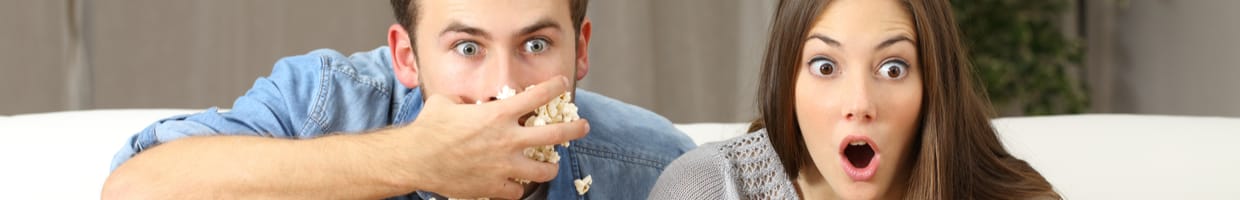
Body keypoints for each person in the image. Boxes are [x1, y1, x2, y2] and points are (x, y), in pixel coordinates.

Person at [102, 0, 695, 199]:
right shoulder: (326, 100)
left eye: (536, 43)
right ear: (407, 56)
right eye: (467, 48)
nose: (503, 87)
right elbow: (134, 188)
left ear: (580, 51)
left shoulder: (655, 167)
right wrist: (414, 158)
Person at [649, 0, 1060, 199]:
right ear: (786, 81)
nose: (860, 103)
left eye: (892, 69)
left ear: (933, 85)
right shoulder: (707, 188)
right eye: (825, 67)